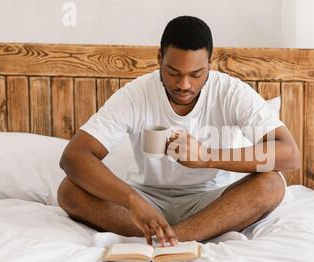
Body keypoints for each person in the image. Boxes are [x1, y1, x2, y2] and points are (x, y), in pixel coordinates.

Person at [57, 16, 301, 247]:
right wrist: (132, 201)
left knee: (272, 184)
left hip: (212, 202)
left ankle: (171, 239)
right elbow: (74, 157)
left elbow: (289, 154)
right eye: (173, 72)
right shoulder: (136, 95)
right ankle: (174, 235)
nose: (184, 85)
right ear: (159, 58)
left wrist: (207, 157)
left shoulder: (231, 92)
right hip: (147, 199)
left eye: (196, 74)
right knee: (69, 191)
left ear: (209, 64)